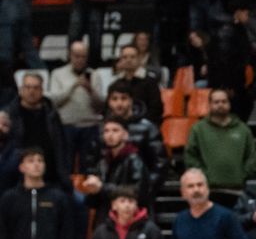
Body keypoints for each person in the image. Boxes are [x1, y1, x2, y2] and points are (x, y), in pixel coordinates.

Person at [183, 89, 256, 208]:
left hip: (237, 190)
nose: (220, 105)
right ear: (210, 105)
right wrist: (204, 176)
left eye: (224, 101)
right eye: (216, 102)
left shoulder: (243, 129)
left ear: (229, 104)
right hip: (208, 191)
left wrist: (242, 174)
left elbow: (251, 157)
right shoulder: (198, 129)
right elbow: (190, 156)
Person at [3, 73, 71, 188]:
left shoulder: (52, 114)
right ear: (21, 90)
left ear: (42, 90)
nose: (31, 91)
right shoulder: (9, 114)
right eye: (27, 87)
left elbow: (61, 145)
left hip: (51, 174)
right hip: (17, 177)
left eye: (35, 88)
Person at [47, 40, 105, 168]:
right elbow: (54, 101)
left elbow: (101, 105)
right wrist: (73, 86)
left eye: (83, 56)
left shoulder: (95, 75)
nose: (80, 60)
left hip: (90, 126)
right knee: (65, 164)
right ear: (70, 55)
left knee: (89, 165)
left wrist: (90, 89)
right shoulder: (57, 74)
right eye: (76, 56)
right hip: (66, 126)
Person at [80, 117, 151, 212]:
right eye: (106, 131)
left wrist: (102, 188)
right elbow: (94, 202)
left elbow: (138, 191)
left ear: (125, 135)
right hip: (106, 214)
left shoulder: (135, 160)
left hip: (129, 214)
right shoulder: (102, 162)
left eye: (115, 130)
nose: (110, 135)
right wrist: (92, 190)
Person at [108, 42, 162, 123]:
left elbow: (156, 109)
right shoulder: (115, 84)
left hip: (144, 125)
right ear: (120, 60)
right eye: (125, 57)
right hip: (120, 125)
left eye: (132, 57)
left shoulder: (150, 82)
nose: (128, 60)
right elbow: (109, 108)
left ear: (139, 59)